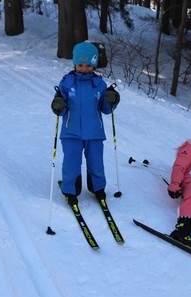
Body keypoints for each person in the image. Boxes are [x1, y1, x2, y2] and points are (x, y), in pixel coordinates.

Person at [51, 41, 120, 206]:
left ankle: (98, 189)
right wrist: (58, 103)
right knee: (71, 163)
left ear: (94, 64)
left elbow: (105, 109)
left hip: (94, 133)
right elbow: (60, 106)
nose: (84, 68)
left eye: (88, 65)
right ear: (75, 64)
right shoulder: (67, 83)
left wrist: (112, 99)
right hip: (71, 132)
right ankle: (70, 190)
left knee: (96, 163)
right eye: (80, 65)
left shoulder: (99, 85)